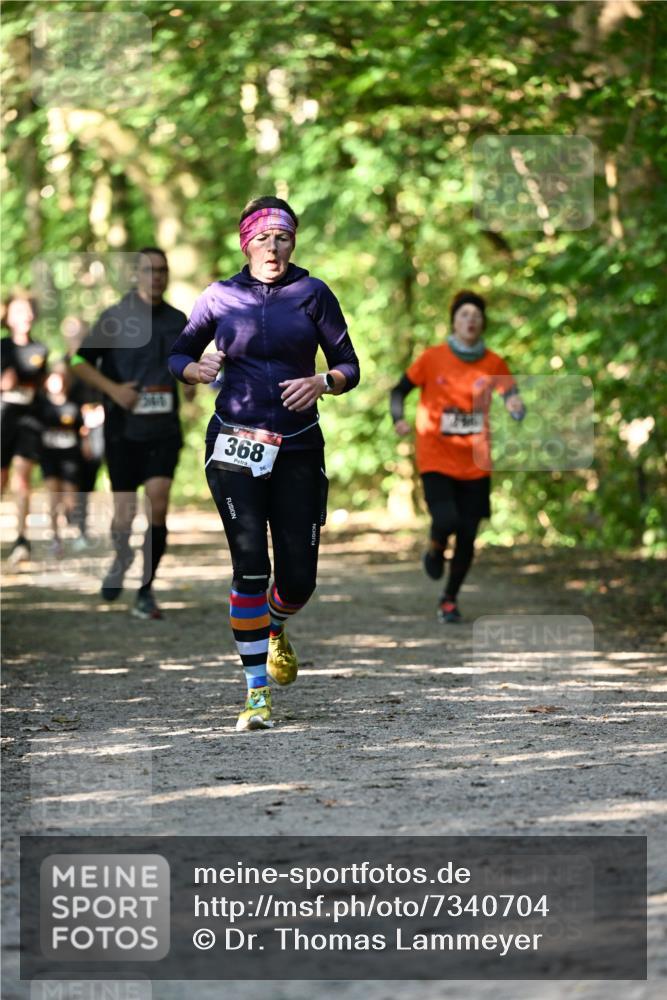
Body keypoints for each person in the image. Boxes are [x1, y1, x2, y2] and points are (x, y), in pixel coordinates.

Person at [168, 196, 360, 731]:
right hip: (234, 444)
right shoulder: (219, 296)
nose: (273, 248)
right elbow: (177, 354)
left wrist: (325, 381)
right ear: (245, 242)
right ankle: (256, 695)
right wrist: (195, 368)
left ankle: (275, 624)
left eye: (283, 238)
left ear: (293, 242)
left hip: (299, 445)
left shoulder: (312, 293)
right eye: (263, 238)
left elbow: (350, 365)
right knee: (251, 567)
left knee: (298, 581)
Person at [70, 248, 191, 619]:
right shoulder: (115, 317)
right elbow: (78, 362)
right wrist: (114, 390)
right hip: (123, 431)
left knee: (158, 501)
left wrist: (189, 381)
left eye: (162, 271)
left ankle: (145, 589)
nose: (156, 277)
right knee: (123, 515)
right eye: (149, 270)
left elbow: (190, 362)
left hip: (164, 429)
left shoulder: (179, 320)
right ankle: (121, 557)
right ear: (136, 276)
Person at [390, 290, 525, 623]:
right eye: (465, 315)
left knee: (468, 534)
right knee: (447, 519)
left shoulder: (493, 362)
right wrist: (399, 418)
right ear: (454, 321)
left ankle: (449, 599)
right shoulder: (432, 357)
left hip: (476, 463)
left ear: (483, 324)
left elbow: (512, 395)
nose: (471, 320)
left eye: (476, 316)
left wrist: (515, 406)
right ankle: (436, 547)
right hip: (435, 456)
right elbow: (399, 391)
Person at [1, 291, 48, 565]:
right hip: (2, 418)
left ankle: (22, 539)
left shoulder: (40, 350)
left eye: (30, 310)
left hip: (29, 421)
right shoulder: (1, 347)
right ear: (8, 317)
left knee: (22, 479)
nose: (27, 315)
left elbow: (41, 387)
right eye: (20, 310)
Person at [35, 360, 85, 556]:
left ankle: (73, 531)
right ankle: (56, 539)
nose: (58, 382)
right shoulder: (39, 404)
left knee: (70, 498)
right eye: (54, 377)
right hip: (49, 456)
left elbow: (82, 429)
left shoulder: (73, 404)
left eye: (62, 377)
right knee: (53, 496)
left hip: (70, 456)